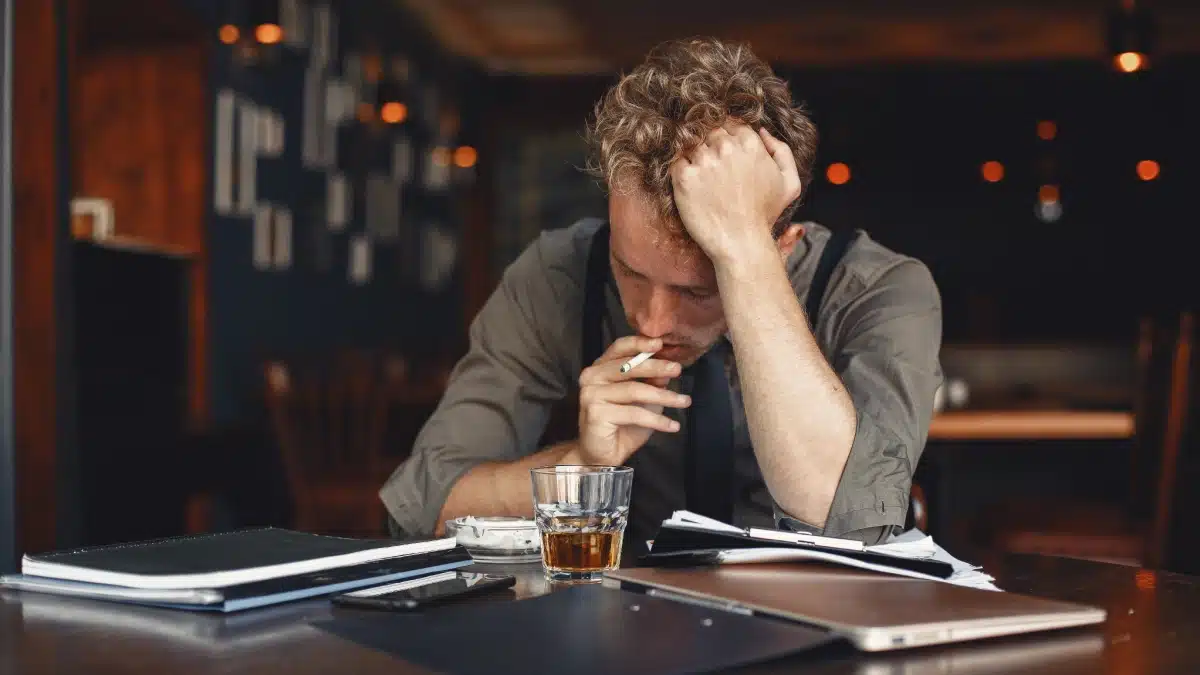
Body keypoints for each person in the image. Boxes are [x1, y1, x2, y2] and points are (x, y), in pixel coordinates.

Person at [380, 37, 943, 550]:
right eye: (630, 272)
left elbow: (846, 517)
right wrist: (581, 466)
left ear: (785, 245)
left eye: (698, 290)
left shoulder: (881, 289)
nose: (650, 323)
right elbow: (423, 508)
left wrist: (743, 252)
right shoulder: (559, 273)